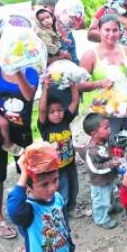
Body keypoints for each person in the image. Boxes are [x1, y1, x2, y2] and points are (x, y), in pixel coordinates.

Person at [7, 143, 77, 252]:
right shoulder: (28, 211)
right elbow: (13, 210)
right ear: (28, 188)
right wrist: (24, 173)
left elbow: (64, 226)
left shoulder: (58, 198)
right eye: (44, 184)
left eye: (55, 180)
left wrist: (71, 250)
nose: (52, 188)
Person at [0, 43, 39, 239]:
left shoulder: (30, 71)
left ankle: (30, 210)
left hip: (21, 130)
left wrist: (17, 70)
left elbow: (29, 95)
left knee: (27, 170)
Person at [79, 14, 127, 138]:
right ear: (99, 31)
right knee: (110, 142)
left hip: (126, 106)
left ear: (120, 31)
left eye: (115, 30)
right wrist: (99, 83)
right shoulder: (90, 55)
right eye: (107, 30)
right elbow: (78, 86)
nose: (111, 34)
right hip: (103, 111)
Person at [38, 76, 80, 211]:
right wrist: (45, 88)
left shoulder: (65, 119)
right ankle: (61, 212)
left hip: (70, 162)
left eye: (60, 110)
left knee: (74, 186)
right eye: (52, 112)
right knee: (63, 189)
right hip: (56, 167)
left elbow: (74, 102)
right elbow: (42, 110)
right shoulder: (45, 126)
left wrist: (73, 85)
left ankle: (71, 208)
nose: (57, 114)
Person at [81, 113, 121, 230]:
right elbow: (94, 169)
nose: (109, 130)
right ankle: (101, 219)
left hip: (109, 177)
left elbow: (111, 150)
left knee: (109, 194)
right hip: (99, 182)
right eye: (106, 128)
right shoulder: (91, 151)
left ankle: (111, 207)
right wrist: (111, 164)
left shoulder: (105, 141)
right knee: (100, 200)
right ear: (94, 133)